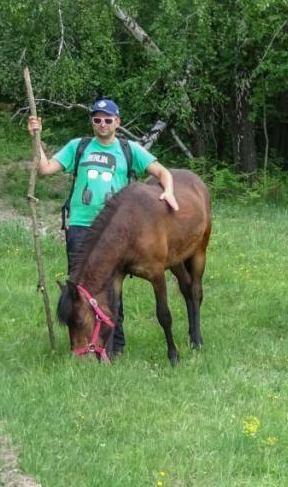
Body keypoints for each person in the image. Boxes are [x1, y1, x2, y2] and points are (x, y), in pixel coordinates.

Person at [28, 98, 179, 355]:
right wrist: (36, 137)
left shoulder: (129, 149)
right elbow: (44, 168)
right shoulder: (79, 146)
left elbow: (162, 172)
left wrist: (170, 193)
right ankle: (80, 343)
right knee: (80, 291)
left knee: (111, 290)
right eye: (97, 119)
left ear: (117, 122)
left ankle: (113, 346)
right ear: (92, 123)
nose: (102, 124)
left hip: (115, 234)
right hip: (80, 226)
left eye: (108, 120)